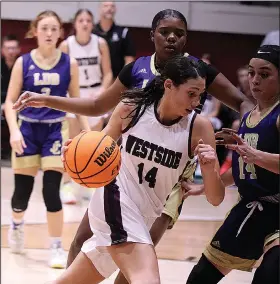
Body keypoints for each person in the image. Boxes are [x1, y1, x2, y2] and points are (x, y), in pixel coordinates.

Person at [13, 9, 255, 282]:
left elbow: (242, 106)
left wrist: (246, 143)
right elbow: (97, 110)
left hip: (168, 186)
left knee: (117, 266)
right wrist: (74, 138)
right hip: (119, 192)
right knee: (135, 264)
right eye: (165, 32)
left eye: (179, 33)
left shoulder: (197, 87)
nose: (172, 37)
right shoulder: (134, 95)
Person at [55, 55, 225, 284]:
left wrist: (210, 167)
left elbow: (215, 198)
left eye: (201, 95)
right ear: (169, 85)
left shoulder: (199, 127)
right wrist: (77, 149)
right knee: (147, 279)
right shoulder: (132, 109)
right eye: (191, 93)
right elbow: (98, 148)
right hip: (115, 200)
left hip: (145, 216)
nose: (196, 101)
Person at [185, 45, 280, 284]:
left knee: (268, 276)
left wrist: (254, 154)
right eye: (251, 73)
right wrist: (205, 186)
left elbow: (252, 158)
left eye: (265, 74)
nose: (255, 80)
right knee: (199, 278)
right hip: (250, 209)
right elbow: (243, 170)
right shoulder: (248, 116)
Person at [4, 10, 90, 268]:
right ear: (35, 31)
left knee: (51, 191)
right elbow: (9, 101)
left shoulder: (69, 63)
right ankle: (16, 226)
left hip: (55, 131)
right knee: (21, 195)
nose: (50, 33)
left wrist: (86, 132)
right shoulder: (23, 62)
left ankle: (55, 246)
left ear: (60, 33)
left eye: (54, 29)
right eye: (45, 28)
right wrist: (14, 131)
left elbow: (77, 103)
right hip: (28, 130)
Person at [59, 9, 113, 204]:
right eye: (81, 20)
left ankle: (92, 185)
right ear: (75, 24)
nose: (84, 23)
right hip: (75, 94)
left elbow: (107, 73)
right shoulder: (66, 45)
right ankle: (67, 185)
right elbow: (63, 73)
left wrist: (102, 92)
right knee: (73, 142)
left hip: (95, 93)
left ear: (92, 23)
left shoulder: (100, 43)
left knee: (94, 142)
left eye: (88, 20)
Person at [93, 1, 136, 80]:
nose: (109, 9)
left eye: (112, 6)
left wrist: (120, 81)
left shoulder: (123, 32)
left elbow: (129, 60)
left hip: (116, 81)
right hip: (95, 81)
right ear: (99, 9)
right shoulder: (92, 32)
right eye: (106, 6)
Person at [1, 35, 21, 158]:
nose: (11, 52)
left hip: (18, 104)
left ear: (19, 49)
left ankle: (18, 150)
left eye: (14, 48)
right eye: (8, 48)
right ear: (2, 50)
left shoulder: (23, 65)